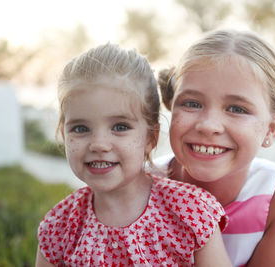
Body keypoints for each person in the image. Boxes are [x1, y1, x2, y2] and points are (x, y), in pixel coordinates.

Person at [35, 43, 231, 267]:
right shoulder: (59, 227)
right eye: (80, 129)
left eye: (120, 127)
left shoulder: (190, 213)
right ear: (63, 134)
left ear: (151, 137)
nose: (99, 144)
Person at [156, 29, 275, 267]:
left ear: (272, 128)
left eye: (237, 109)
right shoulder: (141, 184)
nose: (209, 126)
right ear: (171, 106)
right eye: (191, 103)